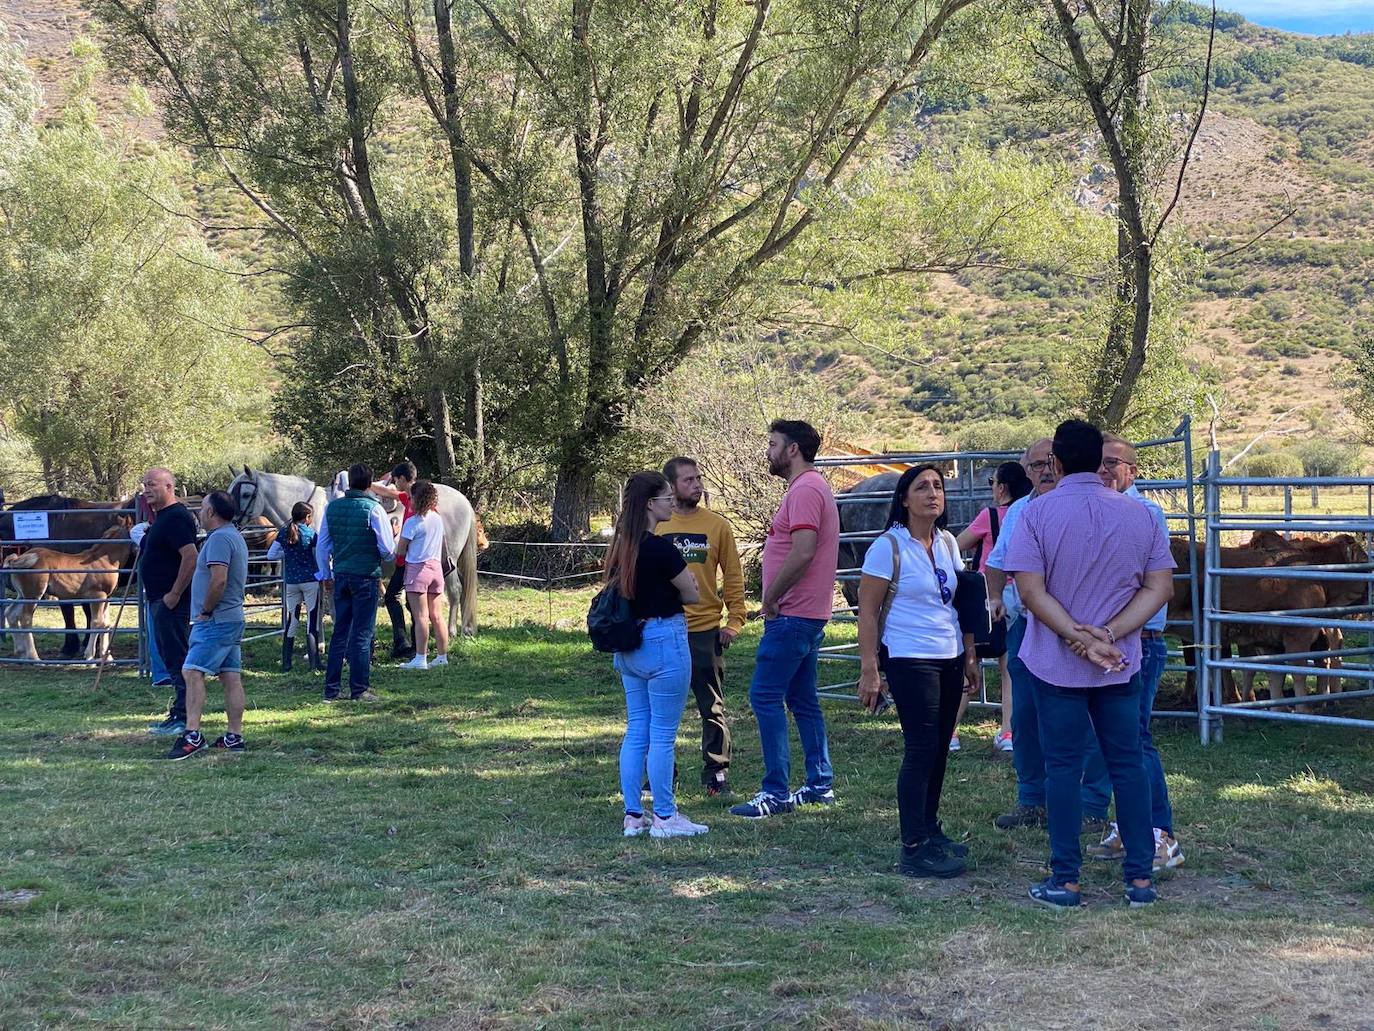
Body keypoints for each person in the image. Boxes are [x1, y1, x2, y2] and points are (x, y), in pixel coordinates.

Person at [1002, 419, 1175, 908]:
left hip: (1056, 664)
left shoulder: (1035, 515)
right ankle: (1140, 879)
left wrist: (1075, 635)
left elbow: (1030, 591)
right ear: (1100, 460)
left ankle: (1066, 880)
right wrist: (1110, 634)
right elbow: (1159, 587)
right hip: (1119, 661)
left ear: (1055, 462)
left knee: (1062, 768)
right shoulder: (1140, 515)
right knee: (1127, 763)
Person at [857, 465, 980, 878]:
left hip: (948, 655)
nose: (933, 493)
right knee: (921, 747)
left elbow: (957, 602)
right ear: (904, 499)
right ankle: (912, 846)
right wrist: (870, 669)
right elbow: (868, 613)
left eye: (939, 486)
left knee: (940, 746)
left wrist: (969, 653)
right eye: (922, 487)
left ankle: (930, 829)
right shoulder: (887, 547)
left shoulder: (947, 542)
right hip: (909, 658)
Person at [984, 441, 1111, 833]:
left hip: (1084, 631)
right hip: (1029, 628)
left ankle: (1091, 805)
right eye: (1037, 465)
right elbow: (997, 561)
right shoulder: (1021, 510)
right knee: (1025, 715)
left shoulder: (1094, 506)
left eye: (1050, 462)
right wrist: (993, 596)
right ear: (1027, 472)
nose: (1045, 471)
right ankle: (1032, 800)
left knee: (1091, 719)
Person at [1084, 434, 1186, 872]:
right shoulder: (1101, 511)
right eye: (1099, 464)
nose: (1105, 471)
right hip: (1106, 644)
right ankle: (1132, 828)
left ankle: (1159, 833)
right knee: (1118, 741)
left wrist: (1105, 630)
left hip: (1138, 642)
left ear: (1133, 471)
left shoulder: (1145, 513)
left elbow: (1151, 585)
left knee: (1136, 740)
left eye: (1114, 464)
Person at [730, 419, 840, 820]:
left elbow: (804, 550)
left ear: (792, 449)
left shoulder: (807, 489)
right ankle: (818, 785)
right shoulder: (808, 487)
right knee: (802, 699)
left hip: (792, 614)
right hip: (804, 614)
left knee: (764, 696)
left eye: (773, 444)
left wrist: (771, 597)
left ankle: (775, 792)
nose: (769, 451)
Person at [606, 471, 707, 839]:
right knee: (663, 735)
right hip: (665, 640)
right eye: (666, 498)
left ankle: (633, 815)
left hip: (631, 644)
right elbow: (692, 592)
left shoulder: (621, 547)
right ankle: (665, 816)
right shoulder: (661, 549)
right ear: (651, 504)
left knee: (637, 730)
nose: (671, 503)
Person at [655, 456, 747, 797]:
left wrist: (735, 621)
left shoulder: (718, 526)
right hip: (664, 628)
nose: (697, 485)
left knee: (712, 706)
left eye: (698, 478)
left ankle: (716, 774)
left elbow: (734, 578)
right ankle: (661, 776)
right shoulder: (657, 524)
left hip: (705, 630)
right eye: (688, 480)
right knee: (662, 707)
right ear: (671, 487)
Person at [952, 461, 1032, 754]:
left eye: (992, 483)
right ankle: (1008, 732)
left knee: (968, 662)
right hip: (1022, 595)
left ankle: (950, 732)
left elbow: (957, 545)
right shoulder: (1030, 512)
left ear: (1001, 488)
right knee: (1009, 666)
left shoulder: (991, 516)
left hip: (989, 594)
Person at [165, 492, 251, 760]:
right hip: (232, 617)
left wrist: (205, 611)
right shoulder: (233, 535)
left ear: (212, 512)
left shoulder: (219, 539)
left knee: (191, 671)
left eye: (202, 508)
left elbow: (219, 581)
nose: (199, 513)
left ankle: (192, 735)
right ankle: (234, 737)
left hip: (216, 619)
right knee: (230, 676)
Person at [316, 463, 396, 702]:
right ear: (370, 482)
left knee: (340, 632)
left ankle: (331, 690)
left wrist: (325, 574)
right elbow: (387, 550)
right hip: (366, 576)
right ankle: (359, 689)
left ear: (349, 481)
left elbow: (322, 546)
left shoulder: (332, 508)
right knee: (362, 634)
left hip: (340, 575)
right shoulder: (374, 509)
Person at [138, 468, 199, 737]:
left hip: (170, 601)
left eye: (152, 484)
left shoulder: (176, 517)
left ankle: (185, 718)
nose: (146, 489)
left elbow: (190, 556)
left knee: (177, 658)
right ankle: (179, 712)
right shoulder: (161, 518)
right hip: (158, 598)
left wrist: (174, 594)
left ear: (169, 486)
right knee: (168, 655)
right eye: (144, 485)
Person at [396, 480, 449, 671]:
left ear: (417, 499)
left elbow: (400, 551)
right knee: (437, 615)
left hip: (418, 569)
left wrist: (396, 533)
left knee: (420, 616)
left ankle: (421, 657)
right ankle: (442, 655)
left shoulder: (412, 522)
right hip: (436, 568)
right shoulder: (437, 519)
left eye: (411, 497)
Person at [370, 462, 418, 660]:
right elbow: (387, 493)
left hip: (410, 560)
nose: (394, 484)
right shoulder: (410, 496)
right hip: (406, 561)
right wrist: (368, 484)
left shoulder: (414, 499)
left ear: (403, 479)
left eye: (396, 480)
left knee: (403, 599)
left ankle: (409, 644)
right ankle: (406, 643)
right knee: (397, 598)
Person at [267, 502, 322, 673]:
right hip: (310, 582)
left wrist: (288, 554)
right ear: (307, 517)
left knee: (292, 620)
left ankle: (286, 663)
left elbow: (271, 555)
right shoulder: (311, 534)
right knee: (311, 621)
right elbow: (319, 557)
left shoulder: (283, 533)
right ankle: (314, 663)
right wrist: (321, 576)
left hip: (291, 582)